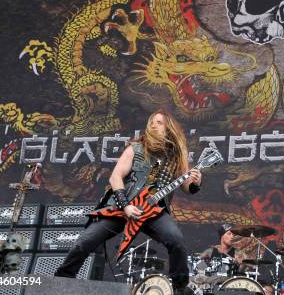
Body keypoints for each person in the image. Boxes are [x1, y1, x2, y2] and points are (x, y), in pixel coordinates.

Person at [55, 109, 202, 294]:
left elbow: (187, 187)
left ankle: (180, 288)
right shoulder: (136, 148)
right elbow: (115, 177)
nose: (153, 124)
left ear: (170, 127)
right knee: (84, 243)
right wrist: (126, 206)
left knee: (177, 241)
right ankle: (60, 281)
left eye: (159, 122)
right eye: (152, 122)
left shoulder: (176, 156)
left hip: (154, 210)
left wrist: (196, 182)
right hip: (122, 206)